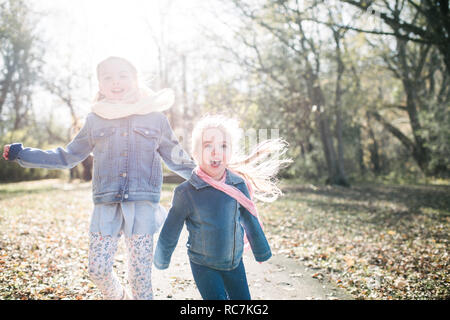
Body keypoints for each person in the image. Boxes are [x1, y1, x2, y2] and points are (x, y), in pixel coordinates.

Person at [2, 56, 196, 300]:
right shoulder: (95, 121)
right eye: (108, 77)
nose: (116, 82)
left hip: (142, 208)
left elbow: (177, 158)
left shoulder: (156, 119)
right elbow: (67, 156)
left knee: (140, 279)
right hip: (106, 206)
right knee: (98, 270)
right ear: (100, 85)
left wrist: (210, 176)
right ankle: (121, 297)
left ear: (135, 80)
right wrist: (24, 154)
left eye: (122, 75)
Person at [153, 115, 291, 300]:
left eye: (223, 146)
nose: (215, 152)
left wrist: (261, 250)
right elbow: (171, 229)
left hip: (234, 262)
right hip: (203, 264)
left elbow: (249, 219)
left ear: (231, 151)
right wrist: (162, 258)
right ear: (195, 153)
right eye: (208, 145)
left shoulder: (238, 185)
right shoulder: (187, 192)